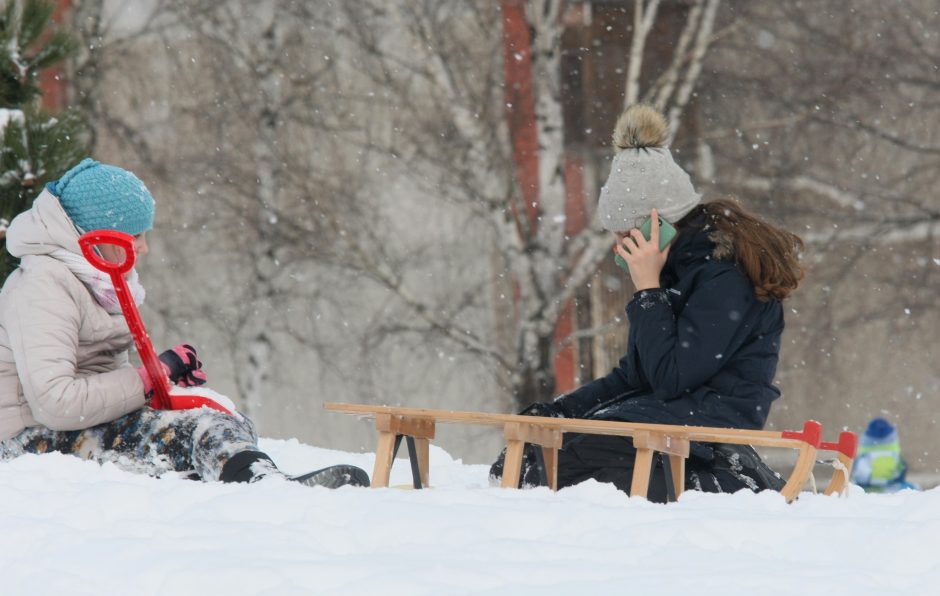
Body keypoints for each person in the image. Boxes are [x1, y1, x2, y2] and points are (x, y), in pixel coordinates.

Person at [491, 105, 804, 500]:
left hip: (707, 431)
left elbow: (671, 377)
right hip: (666, 419)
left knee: (562, 465)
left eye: (625, 234)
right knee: (528, 458)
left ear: (658, 226)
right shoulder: (675, 271)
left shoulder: (725, 277)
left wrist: (647, 291)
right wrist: (560, 412)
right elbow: (635, 377)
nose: (618, 248)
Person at [0, 158, 368, 488]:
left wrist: (163, 386)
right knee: (193, 433)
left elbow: (100, 382)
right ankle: (262, 488)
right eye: (136, 237)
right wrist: (149, 377)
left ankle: (252, 475)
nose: (144, 248)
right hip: (30, 441)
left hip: (72, 427)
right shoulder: (43, 286)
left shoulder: (92, 279)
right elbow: (55, 402)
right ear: (98, 237)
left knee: (216, 415)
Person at [850, 417, 920, 493]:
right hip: (894, 487)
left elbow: (858, 474)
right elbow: (902, 469)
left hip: (866, 488)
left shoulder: (865, 450)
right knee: (914, 489)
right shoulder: (893, 450)